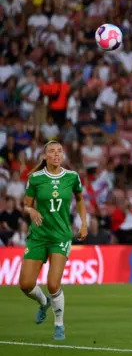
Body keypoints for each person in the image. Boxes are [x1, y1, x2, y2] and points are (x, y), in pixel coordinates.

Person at [18, 141, 88, 341]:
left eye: (59, 151)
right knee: (25, 284)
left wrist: (84, 223)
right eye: (52, 151)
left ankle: (59, 325)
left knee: (53, 283)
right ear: (45, 156)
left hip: (60, 236)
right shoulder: (35, 178)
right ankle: (43, 303)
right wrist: (31, 210)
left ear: (63, 155)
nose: (56, 154)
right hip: (38, 236)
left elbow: (80, 200)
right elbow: (26, 204)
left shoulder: (72, 177)